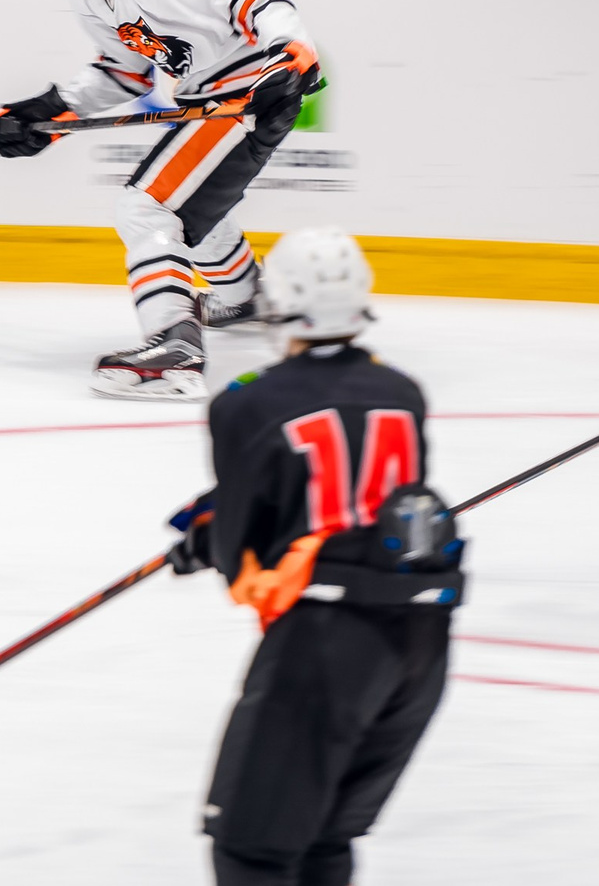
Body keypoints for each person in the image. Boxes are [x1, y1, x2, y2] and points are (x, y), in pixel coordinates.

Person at [165, 229, 464, 886]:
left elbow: (245, 566)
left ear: (276, 300)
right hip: (421, 644)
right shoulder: (403, 391)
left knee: (252, 848)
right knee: (324, 837)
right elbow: (378, 508)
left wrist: (206, 538)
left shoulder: (244, 402)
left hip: (326, 646)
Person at [0, 0, 321, 400]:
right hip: (208, 102)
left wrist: (290, 53)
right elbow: (126, 73)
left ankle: (174, 340)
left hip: (248, 96)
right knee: (192, 212)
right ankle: (245, 297)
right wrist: (50, 112)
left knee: (145, 208)